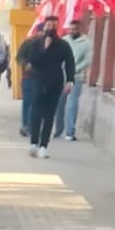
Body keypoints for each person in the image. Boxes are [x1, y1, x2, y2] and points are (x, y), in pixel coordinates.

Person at [26, 16, 75, 159]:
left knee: (49, 116)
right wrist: (44, 48)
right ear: (44, 26)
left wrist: (70, 79)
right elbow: (32, 60)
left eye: (54, 25)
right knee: (36, 113)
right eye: (48, 25)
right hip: (38, 81)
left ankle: (44, 146)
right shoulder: (36, 43)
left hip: (55, 83)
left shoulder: (63, 45)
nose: (51, 28)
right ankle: (34, 143)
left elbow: (70, 62)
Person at [53, 19, 92, 142]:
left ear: (80, 29)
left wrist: (73, 70)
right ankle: (58, 130)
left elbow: (87, 60)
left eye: (75, 29)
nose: (72, 31)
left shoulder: (86, 43)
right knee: (59, 104)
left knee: (71, 104)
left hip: (76, 78)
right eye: (70, 29)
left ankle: (70, 132)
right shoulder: (65, 40)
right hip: (61, 76)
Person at [15, 29, 45, 137]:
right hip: (28, 77)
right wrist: (26, 64)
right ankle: (26, 125)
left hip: (42, 79)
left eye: (43, 32)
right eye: (39, 31)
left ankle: (31, 125)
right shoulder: (27, 43)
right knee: (28, 102)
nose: (41, 34)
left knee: (36, 103)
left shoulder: (48, 45)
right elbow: (19, 58)